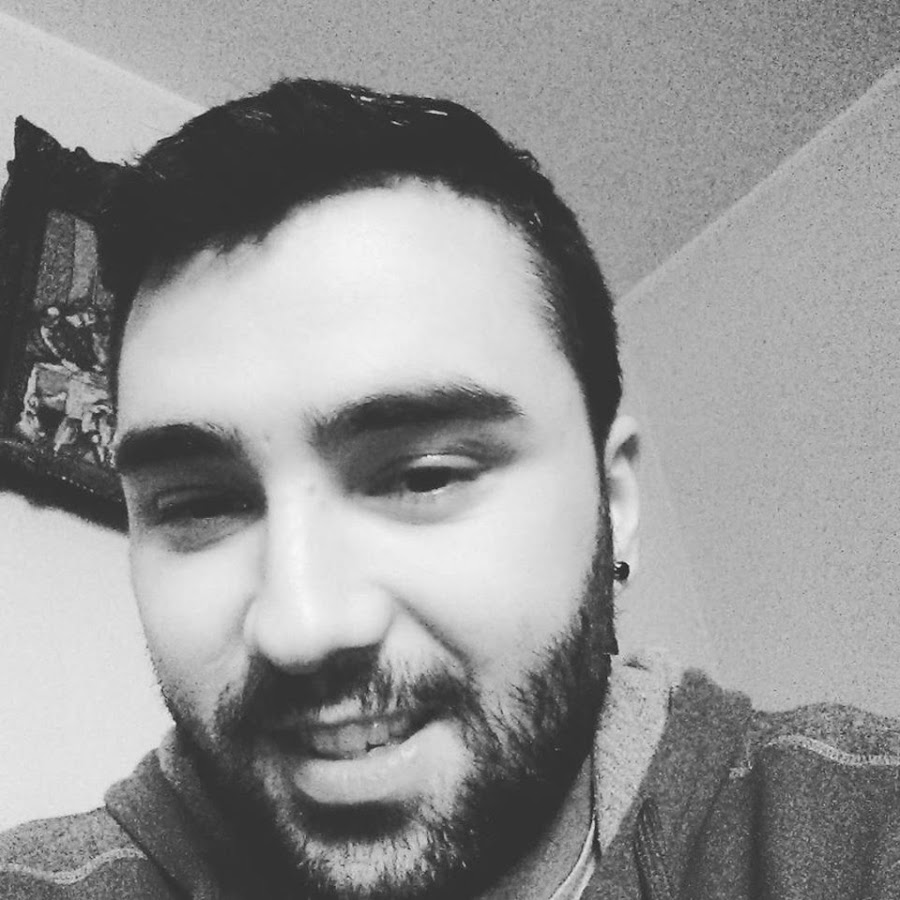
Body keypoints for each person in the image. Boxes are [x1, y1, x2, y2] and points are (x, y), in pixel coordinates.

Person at [1, 77, 898, 900]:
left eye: (423, 476)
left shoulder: (846, 834)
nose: (302, 626)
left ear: (614, 504)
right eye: (200, 504)